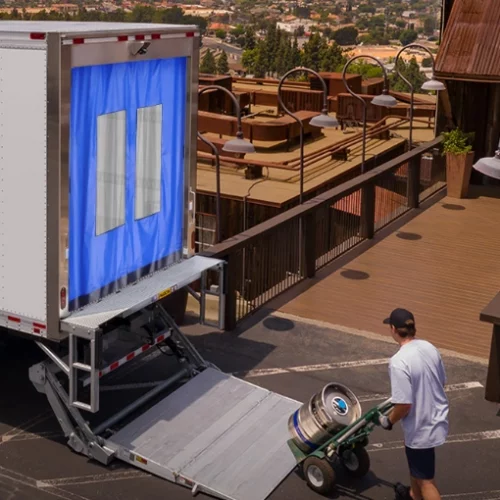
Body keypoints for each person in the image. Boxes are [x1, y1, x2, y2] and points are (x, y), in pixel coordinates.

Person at [378, 308, 449, 500]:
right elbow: (442, 381)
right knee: (417, 469)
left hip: (421, 427)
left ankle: (419, 494)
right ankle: (413, 495)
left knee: (427, 481)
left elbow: (403, 405)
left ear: (393, 329)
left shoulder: (399, 362)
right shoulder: (429, 347)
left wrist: (388, 421)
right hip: (435, 418)